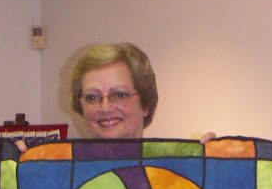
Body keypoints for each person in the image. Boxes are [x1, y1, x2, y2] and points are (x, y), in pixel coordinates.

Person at [16, 42, 214, 150]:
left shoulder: (175, 175)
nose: (105, 107)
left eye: (119, 94)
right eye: (92, 97)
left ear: (145, 103)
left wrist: (215, 168)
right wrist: (21, 166)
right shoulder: (57, 175)